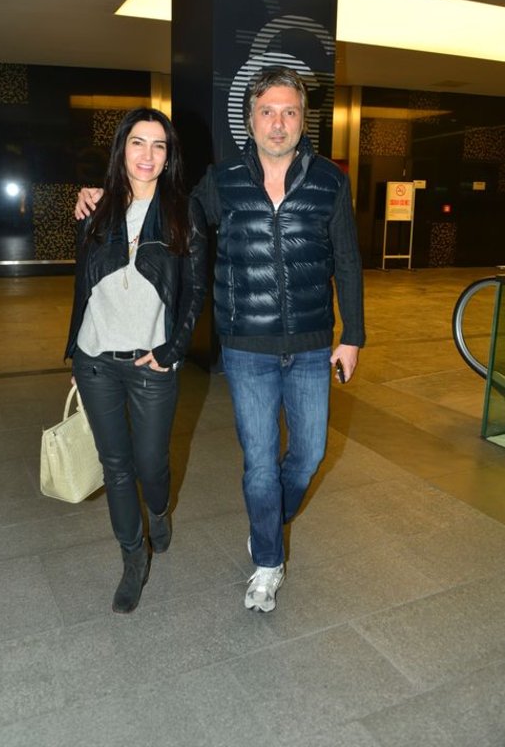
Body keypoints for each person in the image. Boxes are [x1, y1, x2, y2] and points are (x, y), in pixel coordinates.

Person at [75, 67, 365, 614]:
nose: (277, 123)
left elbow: (347, 259)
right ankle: (267, 563)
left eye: (289, 112)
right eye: (267, 111)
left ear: (303, 120)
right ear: (250, 120)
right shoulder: (221, 180)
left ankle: (266, 520)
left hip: (310, 344)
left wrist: (353, 335)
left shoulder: (330, 180)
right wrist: (103, 194)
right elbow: (162, 209)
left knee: (308, 455)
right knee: (260, 464)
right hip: (246, 345)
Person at [66, 107, 206, 615]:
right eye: (138, 143)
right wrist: (76, 351)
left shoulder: (183, 212)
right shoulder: (96, 207)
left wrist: (172, 351)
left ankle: (160, 510)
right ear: (121, 149)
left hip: (152, 362)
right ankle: (132, 558)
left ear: (169, 156)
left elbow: (195, 291)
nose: (148, 155)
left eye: (159, 145)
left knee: (151, 463)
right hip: (96, 359)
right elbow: (84, 283)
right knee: (117, 466)